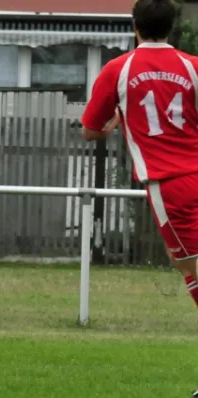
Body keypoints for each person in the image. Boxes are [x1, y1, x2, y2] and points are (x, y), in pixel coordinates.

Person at [81, 0, 198, 310]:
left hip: (169, 183)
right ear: (172, 27)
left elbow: (90, 130)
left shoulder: (118, 69)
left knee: (189, 263)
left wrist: (114, 124)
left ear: (135, 27)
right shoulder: (193, 66)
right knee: (182, 260)